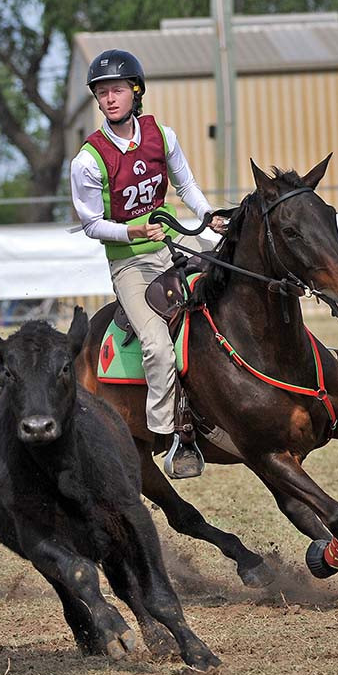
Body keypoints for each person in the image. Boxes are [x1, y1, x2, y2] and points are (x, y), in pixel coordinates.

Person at [70, 49, 226, 480]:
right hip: (129, 265)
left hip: (171, 243)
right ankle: (172, 435)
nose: (109, 99)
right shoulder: (87, 160)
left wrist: (206, 215)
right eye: (102, 93)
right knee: (157, 344)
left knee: (233, 286)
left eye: (117, 90)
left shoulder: (163, 135)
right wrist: (133, 233)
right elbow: (91, 225)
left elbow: (186, 184)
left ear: (135, 92)